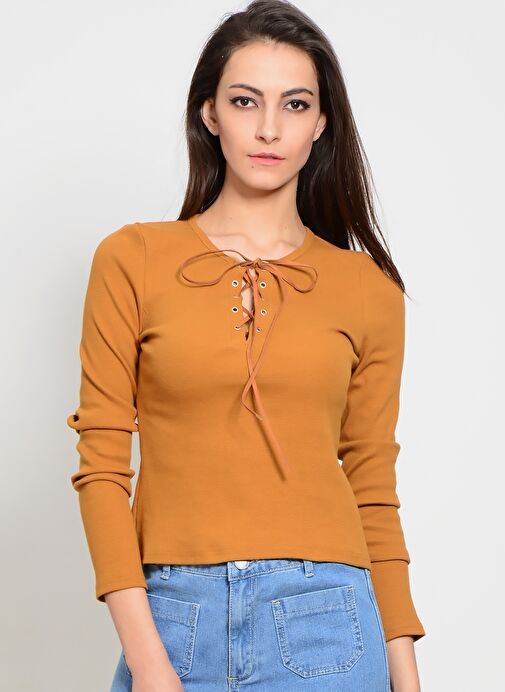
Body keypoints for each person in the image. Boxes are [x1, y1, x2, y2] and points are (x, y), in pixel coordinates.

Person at [67, 1, 426, 690]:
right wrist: (148, 663)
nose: (268, 128)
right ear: (209, 113)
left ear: (321, 123)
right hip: (174, 617)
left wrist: (405, 676)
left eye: (295, 104)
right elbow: (102, 467)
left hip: (329, 621)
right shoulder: (133, 258)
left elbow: (373, 488)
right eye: (244, 100)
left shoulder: (366, 288)